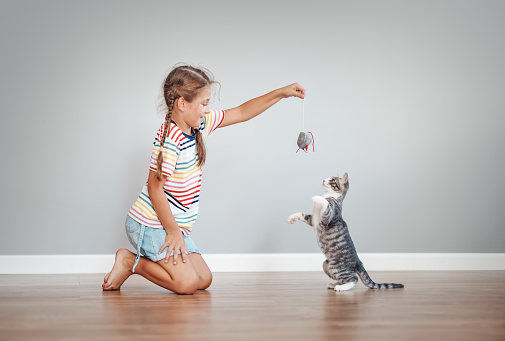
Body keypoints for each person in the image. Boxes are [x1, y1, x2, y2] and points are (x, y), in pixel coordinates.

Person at [102, 65, 305, 294]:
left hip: (172, 226)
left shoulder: (197, 126)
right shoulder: (171, 140)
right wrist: (173, 232)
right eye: (204, 103)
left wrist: (281, 93)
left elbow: (241, 112)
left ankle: (144, 258)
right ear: (182, 104)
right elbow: (154, 187)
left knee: (204, 279)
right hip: (149, 224)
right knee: (187, 284)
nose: (208, 109)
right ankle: (131, 262)